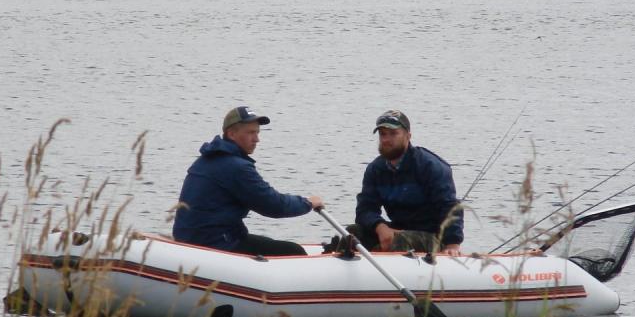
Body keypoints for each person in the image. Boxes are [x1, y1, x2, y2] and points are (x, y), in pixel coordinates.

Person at [172, 105, 324, 256]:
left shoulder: (205, 159)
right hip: (214, 243)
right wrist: (307, 203)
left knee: (266, 243)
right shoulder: (236, 167)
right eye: (251, 133)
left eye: (257, 133)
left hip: (191, 239)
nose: (257, 139)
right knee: (293, 251)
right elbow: (273, 205)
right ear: (232, 134)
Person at [347, 109, 463, 255]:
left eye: (393, 133)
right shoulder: (375, 169)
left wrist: (453, 244)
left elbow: (450, 207)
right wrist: (380, 227)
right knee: (353, 232)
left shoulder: (430, 166)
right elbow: (365, 210)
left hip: (432, 237)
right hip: (397, 230)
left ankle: (380, 256)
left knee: (400, 241)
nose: (386, 139)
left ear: (408, 136)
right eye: (383, 134)